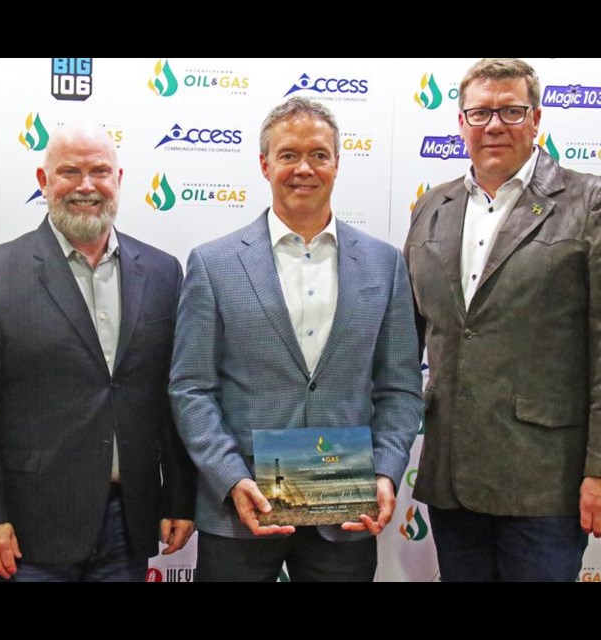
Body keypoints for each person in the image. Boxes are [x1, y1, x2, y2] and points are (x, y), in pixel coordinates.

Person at [405, 58, 601, 582]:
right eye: (480, 113)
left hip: (547, 482)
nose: (494, 125)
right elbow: (406, 341)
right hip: (451, 477)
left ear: (536, 119)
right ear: (461, 123)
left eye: (511, 111)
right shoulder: (431, 208)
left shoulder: (591, 202)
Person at [169, 96, 423, 582]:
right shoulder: (214, 264)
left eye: (318, 155)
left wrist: (387, 472)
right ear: (265, 165)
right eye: (288, 155)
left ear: (337, 164)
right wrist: (230, 478)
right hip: (241, 508)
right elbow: (190, 388)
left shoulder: (384, 264)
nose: (303, 168)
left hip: (345, 511)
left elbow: (400, 389)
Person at [0, 123, 196, 582]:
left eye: (100, 171)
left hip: (129, 523)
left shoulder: (162, 272)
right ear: (43, 180)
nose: (85, 185)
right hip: (27, 529)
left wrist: (179, 497)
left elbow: (172, 398)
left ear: (119, 178)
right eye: (69, 171)